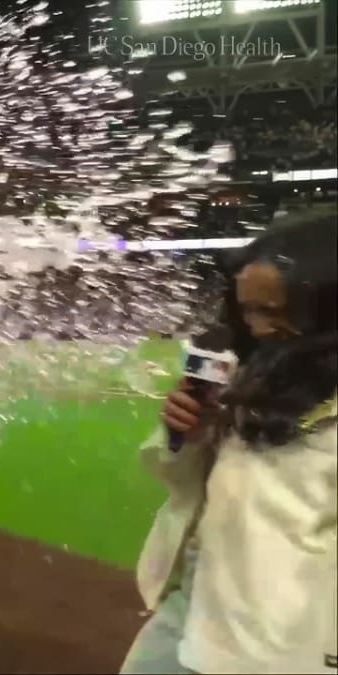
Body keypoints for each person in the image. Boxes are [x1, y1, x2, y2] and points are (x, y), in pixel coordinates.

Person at [122, 219, 337, 675]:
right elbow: (183, 486)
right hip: (195, 609)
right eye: (248, 311)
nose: (258, 328)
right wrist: (189, 436)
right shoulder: (242, 378)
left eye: (274, 311)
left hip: (279, 643)